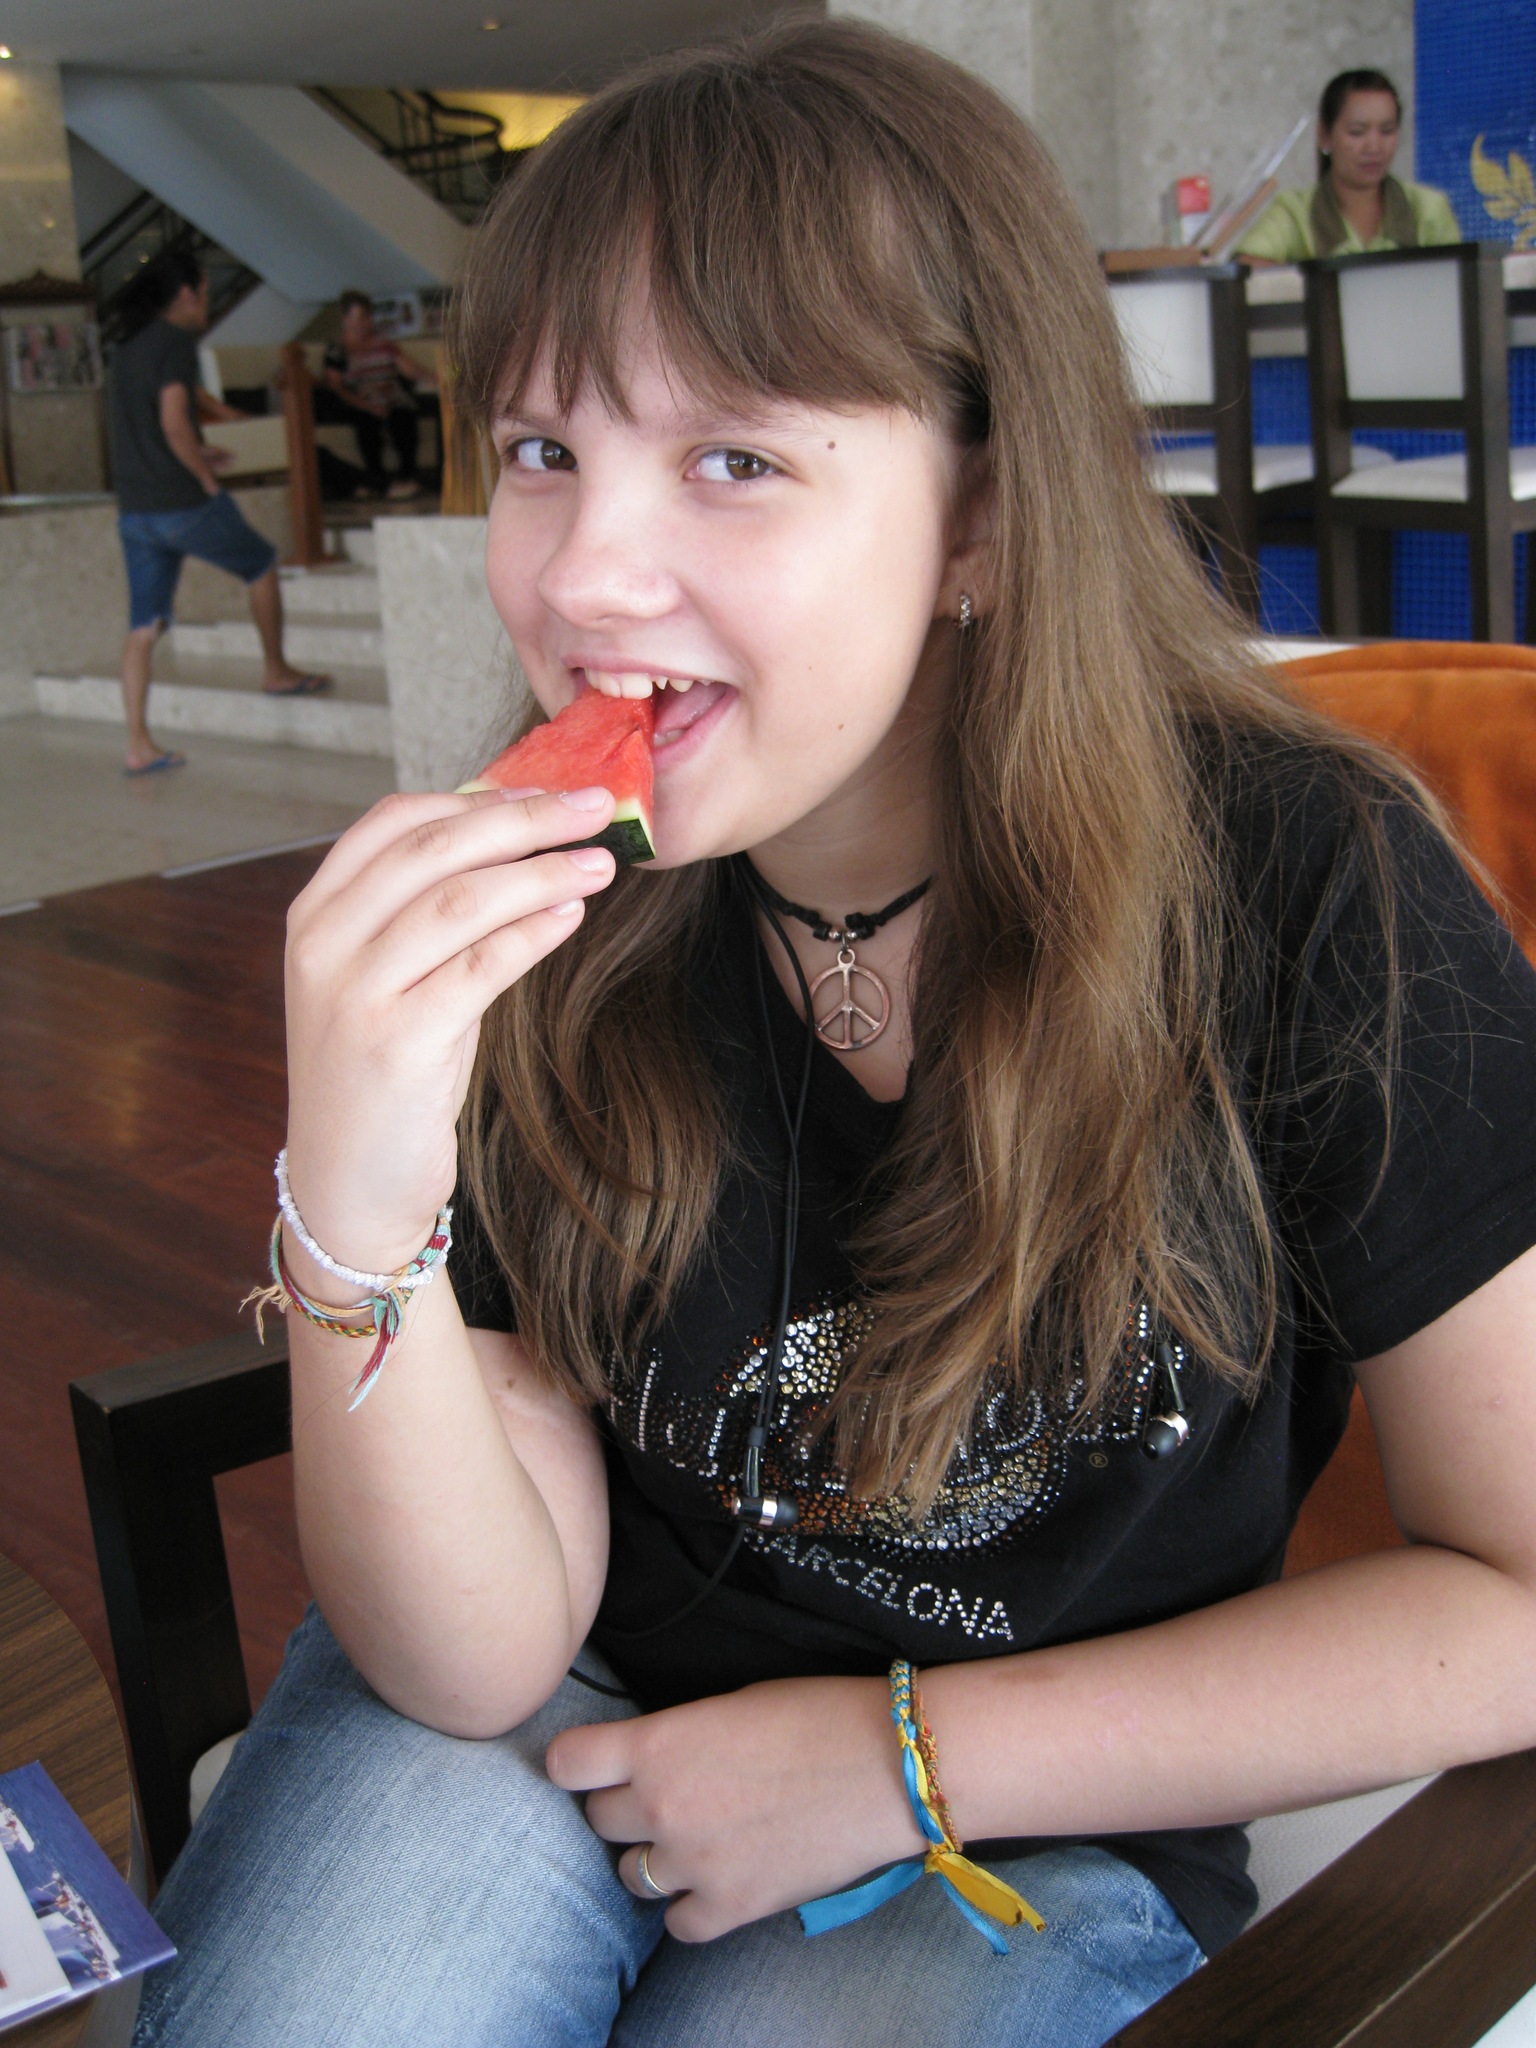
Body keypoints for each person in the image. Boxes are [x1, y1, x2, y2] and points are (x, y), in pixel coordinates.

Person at [132, 22, 1536, 2048]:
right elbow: (481, 1652)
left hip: (1037, 1797)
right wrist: (353, 1188)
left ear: (984, 516)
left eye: (735, 457)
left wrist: (907, 1755)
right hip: (560, 1693)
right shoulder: (547, 912)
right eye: (542, 449)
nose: (584, 574)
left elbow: (1516, 1593)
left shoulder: (1309, 888)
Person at [108, 251, 329, 776]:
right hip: (182, 503)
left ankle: (139, 744)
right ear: (185, 294)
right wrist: (205, 478)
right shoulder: (174, 343)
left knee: (143, 625)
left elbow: (146, 432)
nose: (205, 302)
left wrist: (199, 454)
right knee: (262, 565)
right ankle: (276, 670)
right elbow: (173, 424)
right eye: (205, 292)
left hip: (136, 510)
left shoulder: (127, 349)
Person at [1237, 68, 1459, 262]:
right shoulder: (1294, 212)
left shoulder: (1428, 209)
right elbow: (1247, 268)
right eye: (1357, 132)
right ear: (1324, 136)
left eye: (1387, 131)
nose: (1374, 147)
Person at [321, 292, 429, 501]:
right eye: (360, 317)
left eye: (368, 316)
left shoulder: (385, 344)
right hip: (359, 402)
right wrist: (368, 406)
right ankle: (377, 480)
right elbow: (336, 386)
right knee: (367, 425)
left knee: (404, 418)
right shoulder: (337, 349)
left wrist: (443, 377)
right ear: (347, 319)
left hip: (391, 398)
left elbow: (411, 370)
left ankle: (408, 477)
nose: (366, 322)